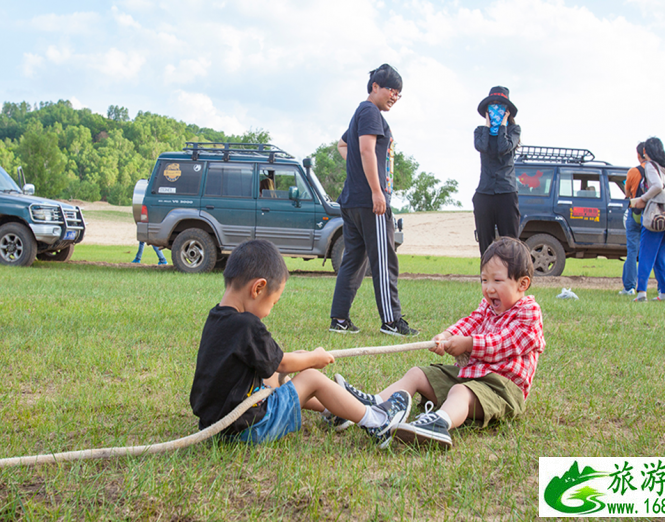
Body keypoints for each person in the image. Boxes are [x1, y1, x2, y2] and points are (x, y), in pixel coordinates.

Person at [189, 239, 412, 448]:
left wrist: (300, 356)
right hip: (247, 428)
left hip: (216, 425)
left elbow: (265, 363)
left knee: (274, 377)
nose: (269, 311)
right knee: (311, 378)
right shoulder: (247, 324)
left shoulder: (216, 317)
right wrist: (314, 358)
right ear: (258, 288)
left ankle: (335, 410)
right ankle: (378, 422)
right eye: (273, 302)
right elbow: (283, 364)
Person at [332, 237, 545, 449]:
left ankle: (439, 423)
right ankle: (375, 407)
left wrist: (468, 343)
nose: (489, 288)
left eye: (497, 281)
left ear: (522, 283)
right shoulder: (488, 307)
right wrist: (447, 335)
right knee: (417, 374)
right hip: (471, 376)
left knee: (460, 392)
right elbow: (471, 322)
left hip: (502, 389)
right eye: (484, 280)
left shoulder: (529, 312)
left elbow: (503, 343)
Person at [329, 64, 418, 337]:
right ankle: (391, 321)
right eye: (392, 89)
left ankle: (339, 319)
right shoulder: (370, 112)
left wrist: (357, 170)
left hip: (352, 200)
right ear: (375, 87)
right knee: (383, 258)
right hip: (370, 202)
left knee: (354, 259)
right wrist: (377, 191)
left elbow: (343, 145)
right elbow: (367, 150)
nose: (394, 96)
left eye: (399, 93)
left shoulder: (362, 112)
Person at [629, 137, 665, 302]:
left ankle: (641, 293)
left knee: (645, 255)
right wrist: (664, 199)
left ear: (646, 152)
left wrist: (645, 199)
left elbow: (657, 186)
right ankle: (664, 293)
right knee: (661, 257)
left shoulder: (650, 166)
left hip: (654, 217)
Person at [473, 86, 522, 256]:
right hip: (484, 192)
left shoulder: (514, 131)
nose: (495, 108)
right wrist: (487, 126)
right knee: (485, 245)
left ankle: (510, 281)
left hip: (506, 193)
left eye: (499, 105)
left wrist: (502, 125)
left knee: (510, 245)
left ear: (507, 110)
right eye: (492, 105)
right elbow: (481, 146)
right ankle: (486, 280)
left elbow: (504, 147)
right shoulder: (480, 132)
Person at [619, 141, 647, 296]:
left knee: (632, 251)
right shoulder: (656, 172)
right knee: (646, 251)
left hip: (635, 212)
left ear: (638, 155)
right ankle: (645, 286)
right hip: (651, 214)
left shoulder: (633, 172)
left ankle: (629, 286)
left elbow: (628, 193)